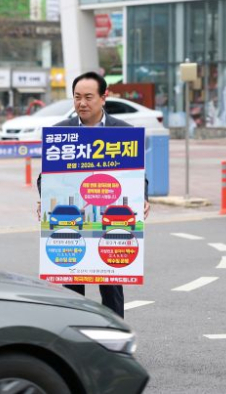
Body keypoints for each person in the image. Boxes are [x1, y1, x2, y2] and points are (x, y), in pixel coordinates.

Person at [37, 71, 150, 318]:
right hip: (71, 223)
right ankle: (74, 335)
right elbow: (45, 177)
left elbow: (137, 176)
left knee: (111, 285)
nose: (82, 103)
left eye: (88, 97)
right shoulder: (60, 133)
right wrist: (44, 200)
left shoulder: (123, 132)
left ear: (103, 97)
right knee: (71, 287)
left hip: (111, 224)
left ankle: (114, 334)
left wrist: (143, 198)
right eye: (77, 97)